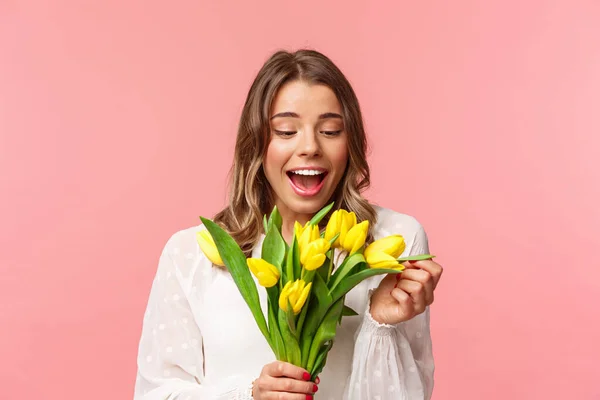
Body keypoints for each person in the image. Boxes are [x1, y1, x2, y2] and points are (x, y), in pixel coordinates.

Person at [133, 49, 443, 400]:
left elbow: (413, 392)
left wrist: (381, 323)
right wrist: (249, 396)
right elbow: (156, 394)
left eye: (330, 130)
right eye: (285, 130)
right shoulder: (193, 254)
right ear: (257, 144)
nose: (310, 146)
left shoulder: (394, 241)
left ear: (350, 141)